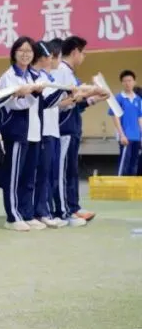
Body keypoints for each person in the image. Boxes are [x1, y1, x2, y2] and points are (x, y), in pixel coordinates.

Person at [52, 36, 106, 225]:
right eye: (82, 53)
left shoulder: (70, 74)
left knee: (71, 170)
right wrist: (87, 92)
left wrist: (93, 99)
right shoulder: (61, 72)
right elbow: (61, 103)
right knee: (62, 172)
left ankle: (73, 206)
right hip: (64, 128)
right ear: (75, 52)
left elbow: (77, 104)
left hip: (73, 127)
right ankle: (63, 211)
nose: (83, 57)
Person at [0, 37, 44, 231]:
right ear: (14, 53)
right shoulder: (8, 77)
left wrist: (32, 91)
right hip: (15, 131)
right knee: (13, 175)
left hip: (33, 132)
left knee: (28, 176)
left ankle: (26, 212)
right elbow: (15, 104)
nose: (25, 54)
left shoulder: (31, 76)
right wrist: (32, 94)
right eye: (21, 50)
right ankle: (13, 216)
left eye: (29, 51)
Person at [33, 41, 69, 228]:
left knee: (50, 173)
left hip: (53, 130)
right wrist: (66, 89)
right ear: (48, 57)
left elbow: (56, 103)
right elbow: (46, 102)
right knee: (43, 173)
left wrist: (72, 96)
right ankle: (41, 211)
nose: (57, 61)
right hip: (44, 130)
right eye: (56, 57)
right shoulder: (40, 78)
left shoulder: (50, 78)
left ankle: (45, 210)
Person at [112, 70, 142, 176]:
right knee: (124, 165)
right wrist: (122, 135)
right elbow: (116, 117)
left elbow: (140, 118)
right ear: (122, 83)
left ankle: (131, 191)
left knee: (134, 166)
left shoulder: (138, 99)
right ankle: (122, 191)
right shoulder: (118, 98)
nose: (127, 83)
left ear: (134, 82)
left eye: (130, 80)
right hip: (125, 138)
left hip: (136, 137)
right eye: (125, 81)